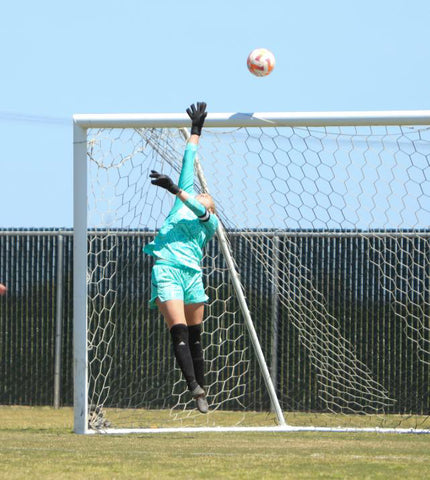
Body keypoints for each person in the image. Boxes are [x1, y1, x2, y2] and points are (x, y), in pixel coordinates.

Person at [144, 102, 218, 413]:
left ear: (211, 206)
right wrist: (196, 130)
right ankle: (192, 385)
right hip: (168, 270)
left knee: (196, 336)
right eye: (198, 191)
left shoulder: (209, 221)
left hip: (192, 276)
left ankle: (203, 393)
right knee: (178, 330)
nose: (202, 192)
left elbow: (199, 208)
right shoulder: (181, 203)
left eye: (207, 195)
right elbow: (189, 160)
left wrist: (176, 190)